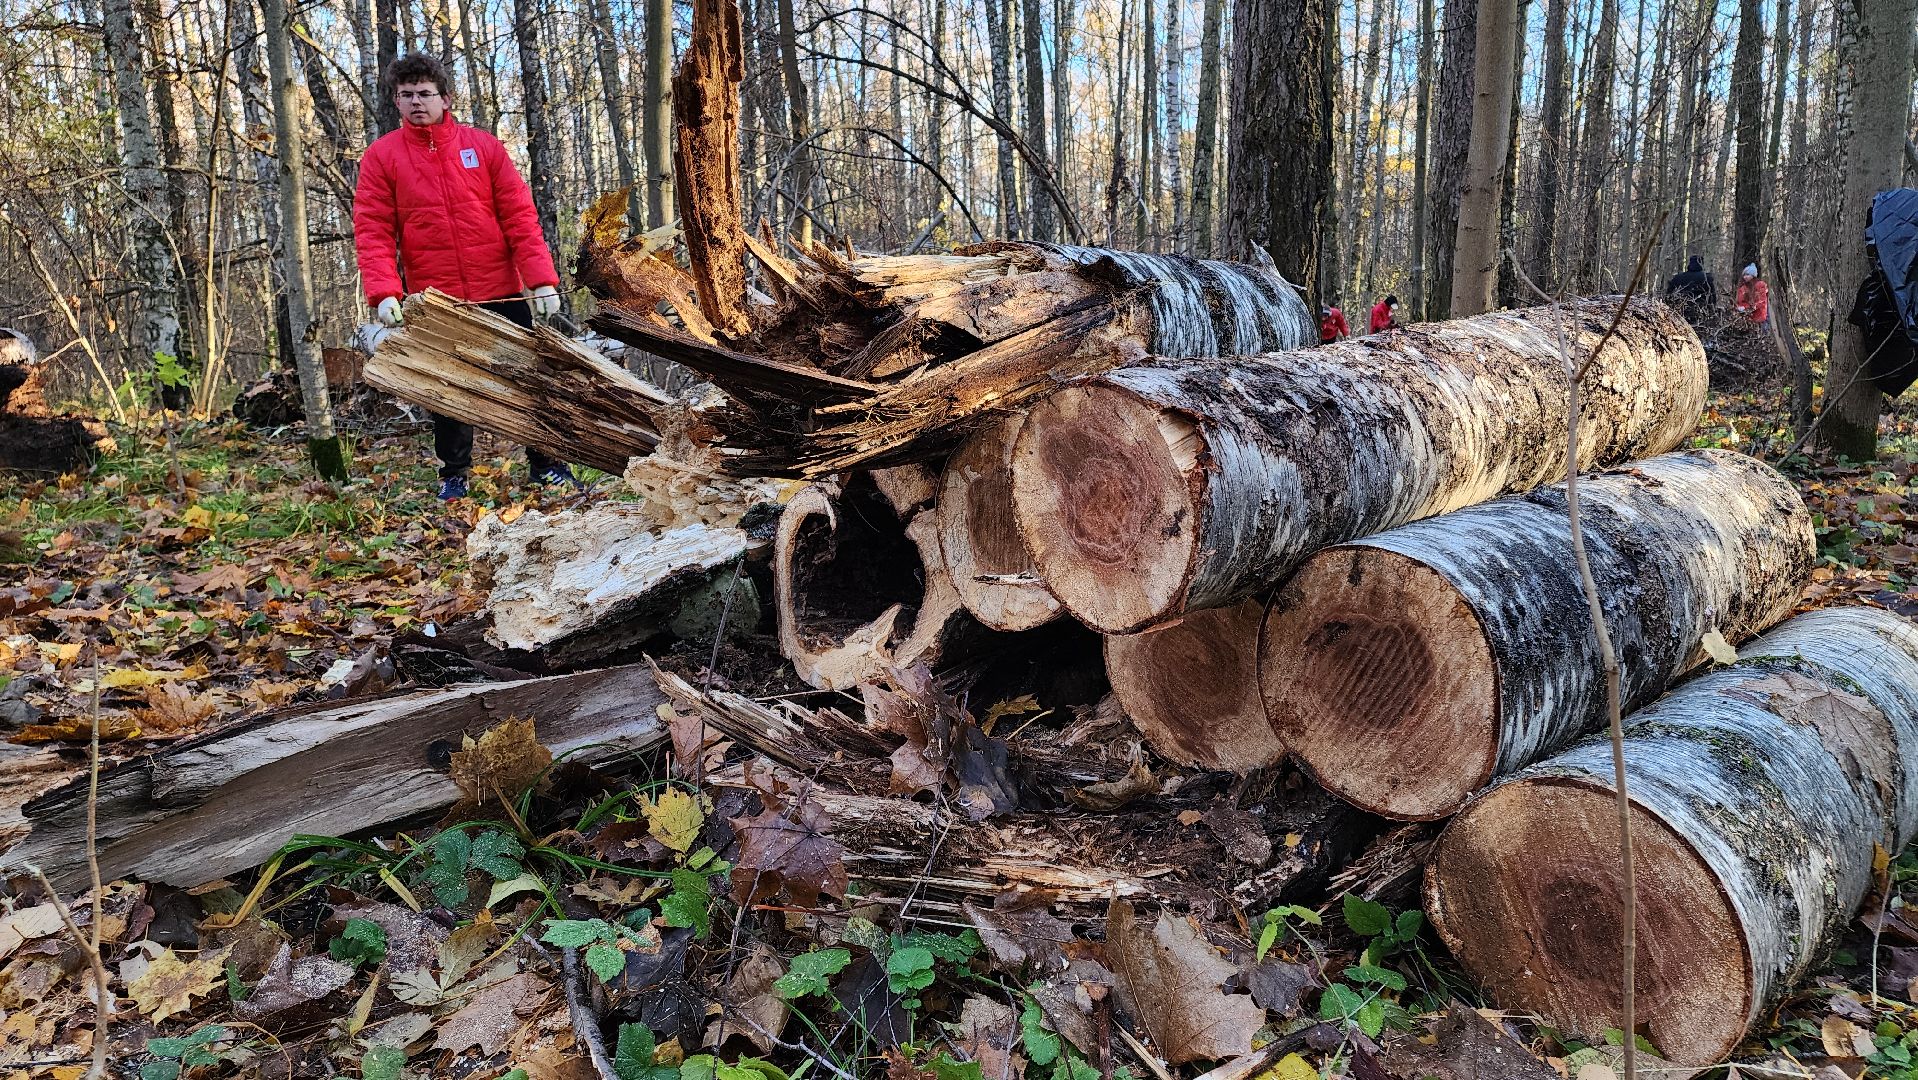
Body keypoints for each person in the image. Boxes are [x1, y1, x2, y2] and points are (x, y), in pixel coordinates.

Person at [352, 53, 573, 500]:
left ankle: (547, 465)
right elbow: (372, 229)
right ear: (396, 101)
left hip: (502, 289)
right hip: (436, 299)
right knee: (448, 391)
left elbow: (519, 216)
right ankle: (454, 476)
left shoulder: (484, 146)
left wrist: (541, 279)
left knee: (526, 379)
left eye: (424, 93)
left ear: (445, 98)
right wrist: (384, 292)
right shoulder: (382, 157)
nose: (416, 102)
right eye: (406, 95)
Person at [1664, 255, 1718, 325]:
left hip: (1681, 313)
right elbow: (1712, 297)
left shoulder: (1678, 277)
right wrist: (1712, 311)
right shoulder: (1707, 278)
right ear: (1701, 263)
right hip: (1701, 314)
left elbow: (1669, 294)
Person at [1734, 264, 1770, 328]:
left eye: (1747, 275)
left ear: (1753, 275)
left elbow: (1761, 301)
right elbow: (1740, 302)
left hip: (1760, 318)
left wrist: (1747, 307)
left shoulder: (1760, 285)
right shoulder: (1743, 288)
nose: (1745, 277)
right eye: (1744, 275)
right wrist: (1739, 308)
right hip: (1747, 319)